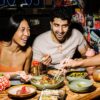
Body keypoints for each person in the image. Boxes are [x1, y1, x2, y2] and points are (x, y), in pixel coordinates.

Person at [0, 12, 32, 80]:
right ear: (12, 31)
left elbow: (24, 78)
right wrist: (13, 74)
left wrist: (28, 77)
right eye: (22, 30)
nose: (27, 34)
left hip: (16, 89)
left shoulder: (28, 51)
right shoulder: (0, 47)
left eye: (28, 30)